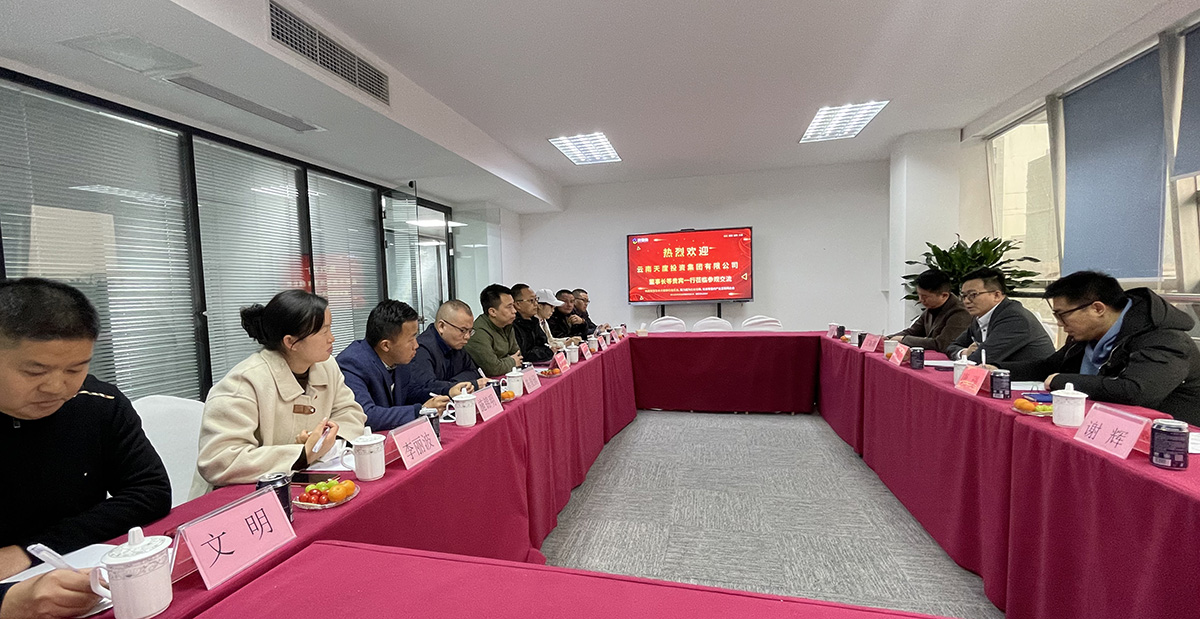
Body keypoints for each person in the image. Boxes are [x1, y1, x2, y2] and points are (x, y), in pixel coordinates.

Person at [0, 278, 170, 616]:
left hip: (79, 576)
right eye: (34, 371)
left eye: (75, 368)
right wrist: (8, 602)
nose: (56, 387)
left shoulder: (99, 403)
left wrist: (30, 550)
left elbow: (149, 491)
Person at [192, 290, 366, 498]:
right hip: (238, 498)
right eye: (323, 331)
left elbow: (350, 412)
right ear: (291, 342)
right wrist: (303, 453)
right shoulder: (244, 382)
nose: (332, 338)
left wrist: (325, 439)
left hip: (300, 485)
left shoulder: (326, 366)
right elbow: (219, 460)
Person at [999, 271, 1200, 423]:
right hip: (1104, 422)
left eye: (1063, 315)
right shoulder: (1088, 335)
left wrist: (1063, 381)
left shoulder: (1166, 339)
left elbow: (1135, 391)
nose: (1060, 324)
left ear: (1097, 308)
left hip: (1168, 438)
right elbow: (1048, 367)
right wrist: (996, 370)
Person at [338, 300, 470, 432]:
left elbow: (411, 393)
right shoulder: (353, 364)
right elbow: (366, 415)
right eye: (410, 339)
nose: (416, 345)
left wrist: (448, 392)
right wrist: (420, 411)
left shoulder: (399, 360)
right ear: (386, 345)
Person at [945, 268, 1056, 364]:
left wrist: (969, 356)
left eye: (973, 295)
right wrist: (964, 352)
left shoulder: (1015, 319)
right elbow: (951, 347)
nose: (966, 301)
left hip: (1031, 380)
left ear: (997, 295)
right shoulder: (979, 317)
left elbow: (981, 359)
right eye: (963, 296)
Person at [411, 300, 490, 395]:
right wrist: (459, 386)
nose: (467, 336)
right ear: (441, 326)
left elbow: (473, 372)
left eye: (470, 331)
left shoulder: (456, 344)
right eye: (462, 330)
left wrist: (452, 384)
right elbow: (426, 387)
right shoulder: (421, 349)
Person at [887, 269, 972, 354]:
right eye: (919, 295)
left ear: (944, 295)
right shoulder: (931, 308)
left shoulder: (960, 313)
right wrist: (888, 339)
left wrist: (903, 339)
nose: (920, 300)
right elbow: (913, 331)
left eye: (925, 296)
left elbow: (942, 344)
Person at [464, 284, 523, 376]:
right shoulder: (479, 332)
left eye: (513, 305)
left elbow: (518, 357)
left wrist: (505, 362)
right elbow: (493, 369)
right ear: (492, 312)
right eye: (509, 306)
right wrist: (512, 361)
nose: (514, 311)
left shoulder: (507, 325)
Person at [511, 284, 555, 363]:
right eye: (531, 300)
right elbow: (524, 355)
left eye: (536, 299)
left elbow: (545, 344)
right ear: (518, 304)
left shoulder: (534, 321)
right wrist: (547, 351)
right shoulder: (513, 325)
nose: (536, 304)